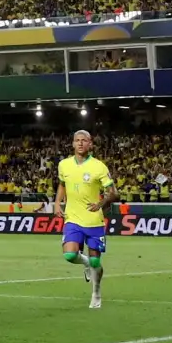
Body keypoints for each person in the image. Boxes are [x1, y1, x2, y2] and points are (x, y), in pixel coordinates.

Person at [56, 130, 118, 309]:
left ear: (90, 144)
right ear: (73, 144)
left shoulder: (99, 167)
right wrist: (57, 203)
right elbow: (62, 185)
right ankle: (85, 264)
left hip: (93, 220)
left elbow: (114, 193)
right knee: (69, 255)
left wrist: (101, 202)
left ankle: (96, 292)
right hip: (72, 218)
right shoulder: (64, 164)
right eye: (77, 140)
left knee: (96, 261)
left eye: (84, 140)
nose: (80, 143)